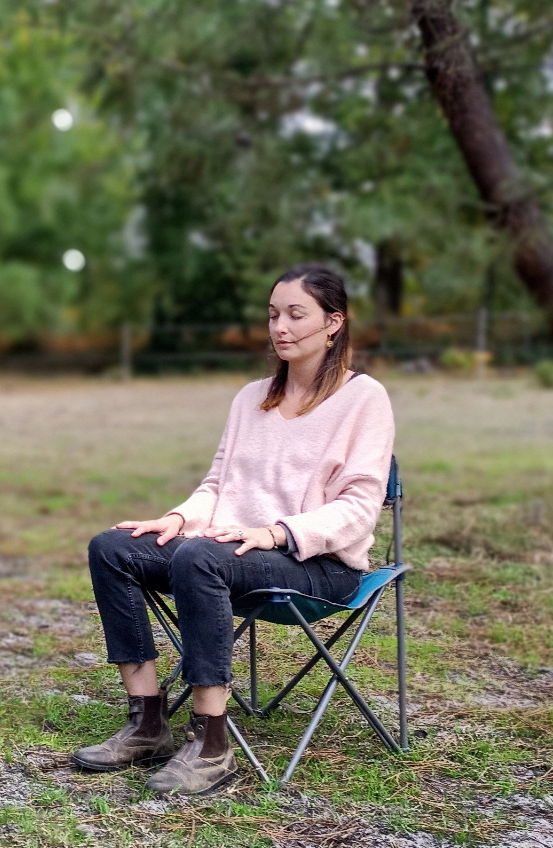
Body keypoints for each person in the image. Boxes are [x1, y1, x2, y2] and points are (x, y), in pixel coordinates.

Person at [72, 263, 395, 795]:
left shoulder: (364, 400)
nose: (280, 328)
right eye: (273, 315)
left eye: (296, 315)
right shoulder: (251, 398)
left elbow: (361, 506)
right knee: (113, 547)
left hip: (318, 565)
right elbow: (217, 486)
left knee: (199, 557)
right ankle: (147, 723)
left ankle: (212, 744)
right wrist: (176, 519)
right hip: (227, 549)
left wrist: (277, 532)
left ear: (334, 322)